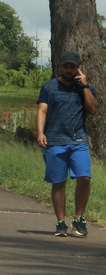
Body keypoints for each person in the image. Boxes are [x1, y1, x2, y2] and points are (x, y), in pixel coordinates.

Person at [36, 51, 99, 237]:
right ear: (61, 67)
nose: (69, 70)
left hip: (78, 140)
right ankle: (61, 222)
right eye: (66, 66)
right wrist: (40, 132)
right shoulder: (49, 87)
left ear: (78, 68)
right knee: (58, 182)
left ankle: (79, 219)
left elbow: (93, 109)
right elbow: (42, 111)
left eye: (73, 67)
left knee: (85, 177)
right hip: (55, 141)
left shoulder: (84, 87)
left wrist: (85, 86)